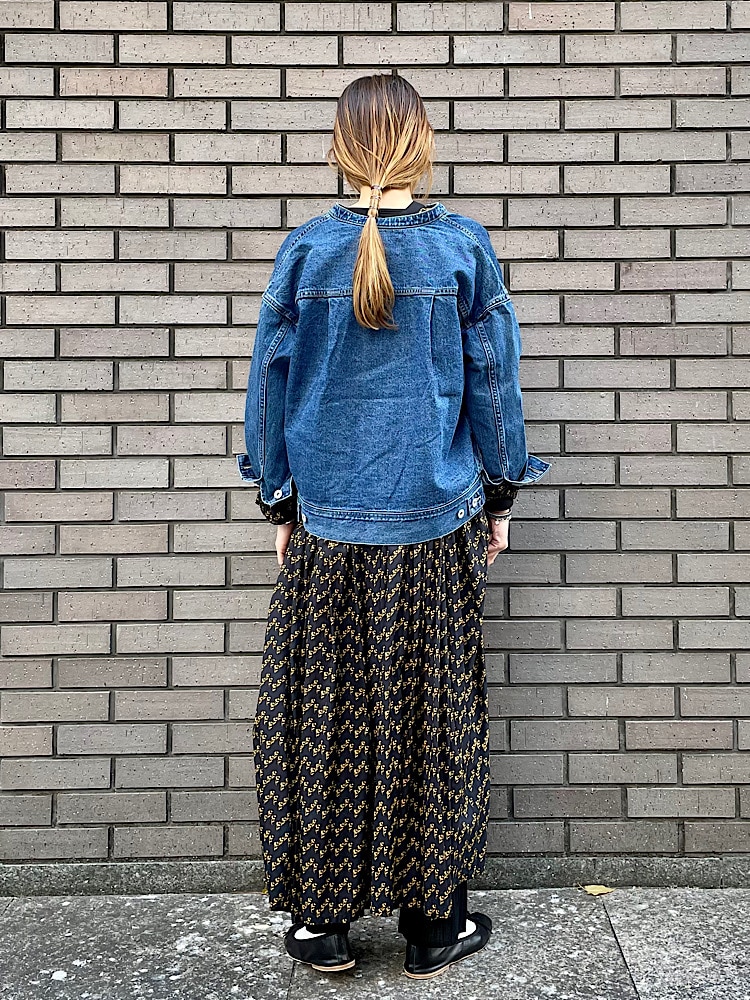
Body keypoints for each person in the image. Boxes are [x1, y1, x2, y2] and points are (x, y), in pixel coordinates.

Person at [236, 73, 552, 980]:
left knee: (323, 714)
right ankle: (432, 925)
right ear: (422, 146)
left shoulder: (307, 249)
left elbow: (269, 387)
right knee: (433, 719)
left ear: (341, 150)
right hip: (434, 526)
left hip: (329, 530)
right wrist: (500, 496)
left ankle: (322, 925)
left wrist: (280, 500)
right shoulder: (460, 247)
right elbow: (495, 383)